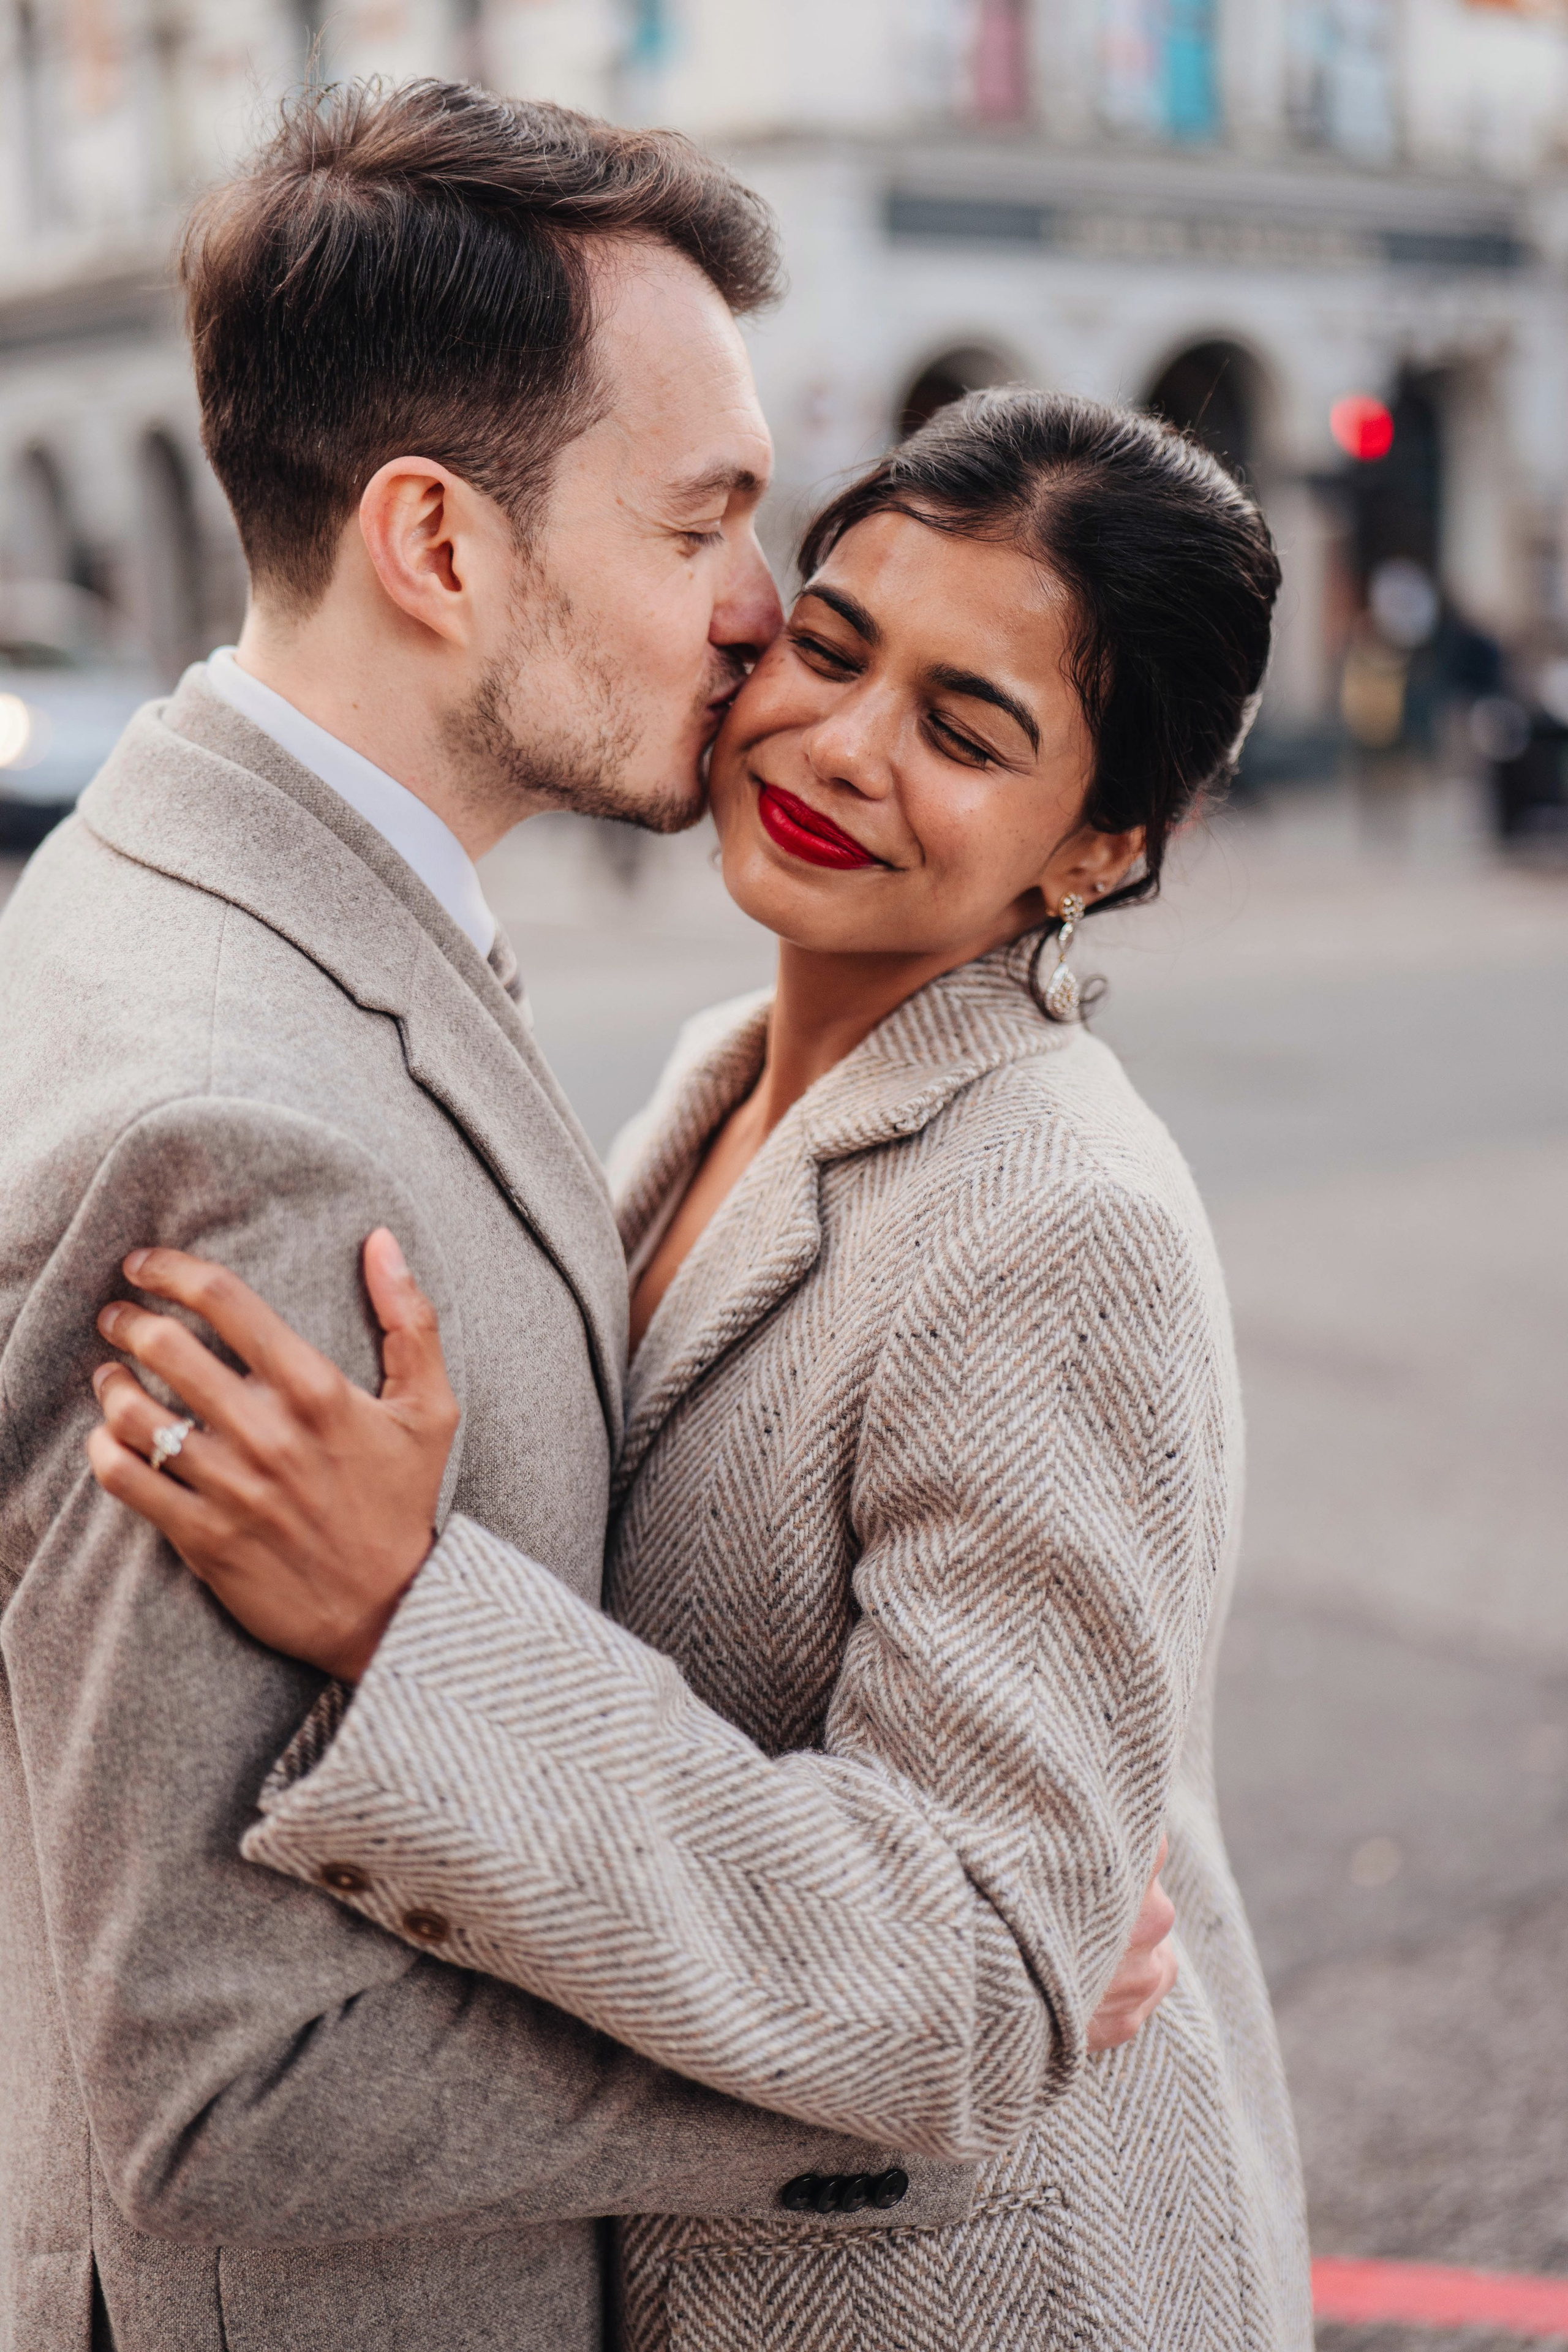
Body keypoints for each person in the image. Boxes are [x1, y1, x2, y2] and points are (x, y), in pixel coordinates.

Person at [0, 83, 1168, 2352]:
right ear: (439, 547)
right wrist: (922, 2042)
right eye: (706, 523)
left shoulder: (195, 875)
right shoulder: (250, 1146)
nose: (764, 621)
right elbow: (241, 2081)